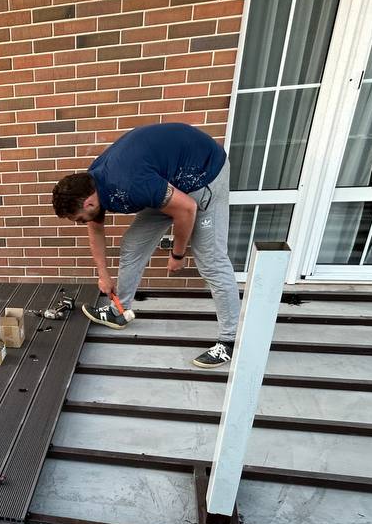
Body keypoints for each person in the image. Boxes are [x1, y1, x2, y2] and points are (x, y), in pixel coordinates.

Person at [51, 122, 237, 367]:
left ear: (88, 203)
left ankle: (229, 341)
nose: (80, 223)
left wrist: (178, 254)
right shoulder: (91, 183)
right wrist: (103, 275)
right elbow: (95, 227)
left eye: (78, 219)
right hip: (166, 182)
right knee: (132, 245)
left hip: (205, 174)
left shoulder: (128, 184)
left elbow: (186, 209)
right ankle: (119, 312)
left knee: (212, 262)